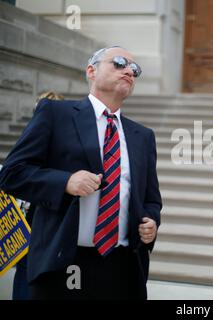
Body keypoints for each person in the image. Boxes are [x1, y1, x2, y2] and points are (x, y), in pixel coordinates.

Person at [0, 46, 162, 299]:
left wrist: (151, 221)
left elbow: (151, 199)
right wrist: (65, 182)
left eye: (135, 69)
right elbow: (12, 174)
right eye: (119, 63)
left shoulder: (143, 136)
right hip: (64, 262)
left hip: (122, 267)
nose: (129, 71)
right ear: (91, 71)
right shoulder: (55, 114)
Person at [11, 91, 65, 300]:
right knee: (24, 276)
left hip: (47, 223)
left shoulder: (65, 146)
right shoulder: (29, 141)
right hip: (26, 223)